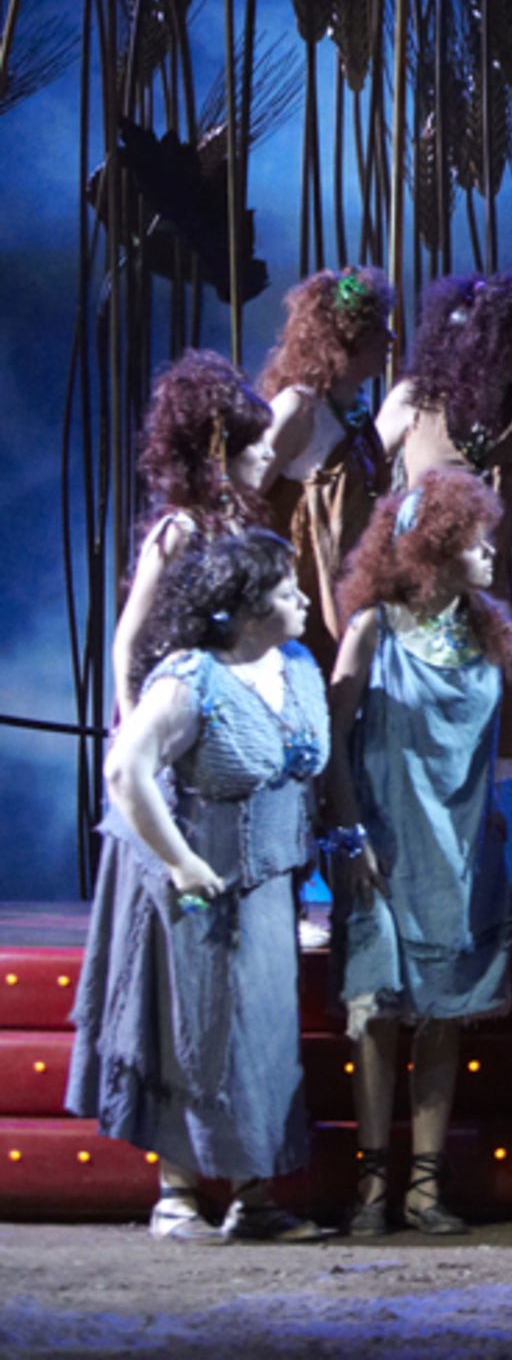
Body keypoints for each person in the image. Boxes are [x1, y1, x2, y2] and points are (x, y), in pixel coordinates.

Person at [67, 530, 328, 1243]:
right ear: (244, 610)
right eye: (286, 591)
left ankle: (255, 1196)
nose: (304, 599)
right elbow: (125, 770)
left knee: (265, 1035)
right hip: (197, 886)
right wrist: (179, 860)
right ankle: (177, 1193)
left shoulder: (297, 665)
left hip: (267, 884)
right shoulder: (192, 678)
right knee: (197, 1029)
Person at [322, 469, 512, 1236]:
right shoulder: (373, 628)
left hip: (461, 846)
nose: (491, 550)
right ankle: (373, 1183)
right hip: (386, 840)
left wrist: (490, 818)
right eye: (475, 540)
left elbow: (485, 748)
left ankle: (425, 1186)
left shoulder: (489, 634)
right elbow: (333, 741)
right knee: (377, 1012)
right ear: (433, 546)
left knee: (444, 1012)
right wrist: (351, 834)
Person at [380, 273, 512, 763]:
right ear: (490, 341)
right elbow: (365, 481)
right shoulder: (416, 403)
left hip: (491, 604)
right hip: (422, 604)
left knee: (485, 749)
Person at [112, 352, 276, 720]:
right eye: (256, 444)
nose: (270, 453)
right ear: (221, 454)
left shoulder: (241, 528)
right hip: (179, 705)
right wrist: (132, 725)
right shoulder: (180, 532)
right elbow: (129, 640)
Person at [258, 268, 396, 675]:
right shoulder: (298, 409)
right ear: (346, 338)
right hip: (307, 602)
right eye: (378, 330)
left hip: (354, 594)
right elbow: (242, 500)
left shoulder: (358, 412)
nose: (390, 339)